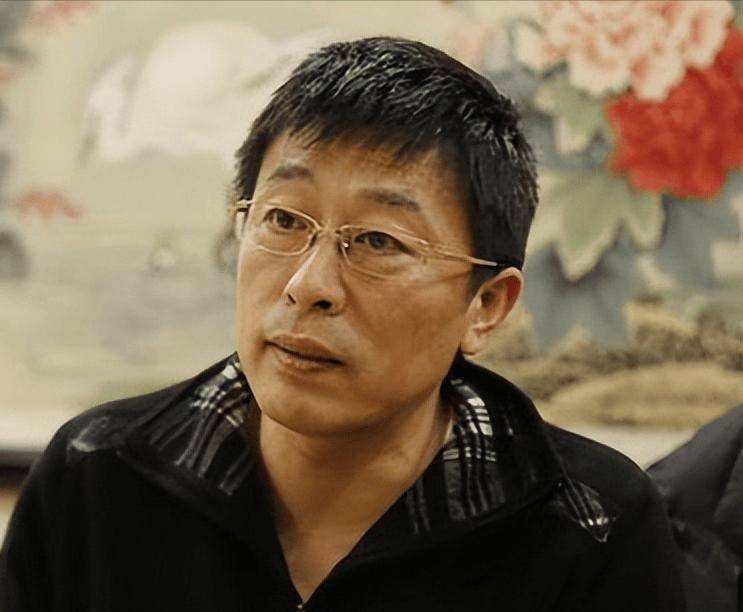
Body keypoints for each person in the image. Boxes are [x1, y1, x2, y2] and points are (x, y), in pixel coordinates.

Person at [0, 37, 684, 611]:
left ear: (486, 305)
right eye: (283, 220)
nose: (308, 285)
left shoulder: (590, 526)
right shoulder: (97, 478)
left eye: (379, 241)